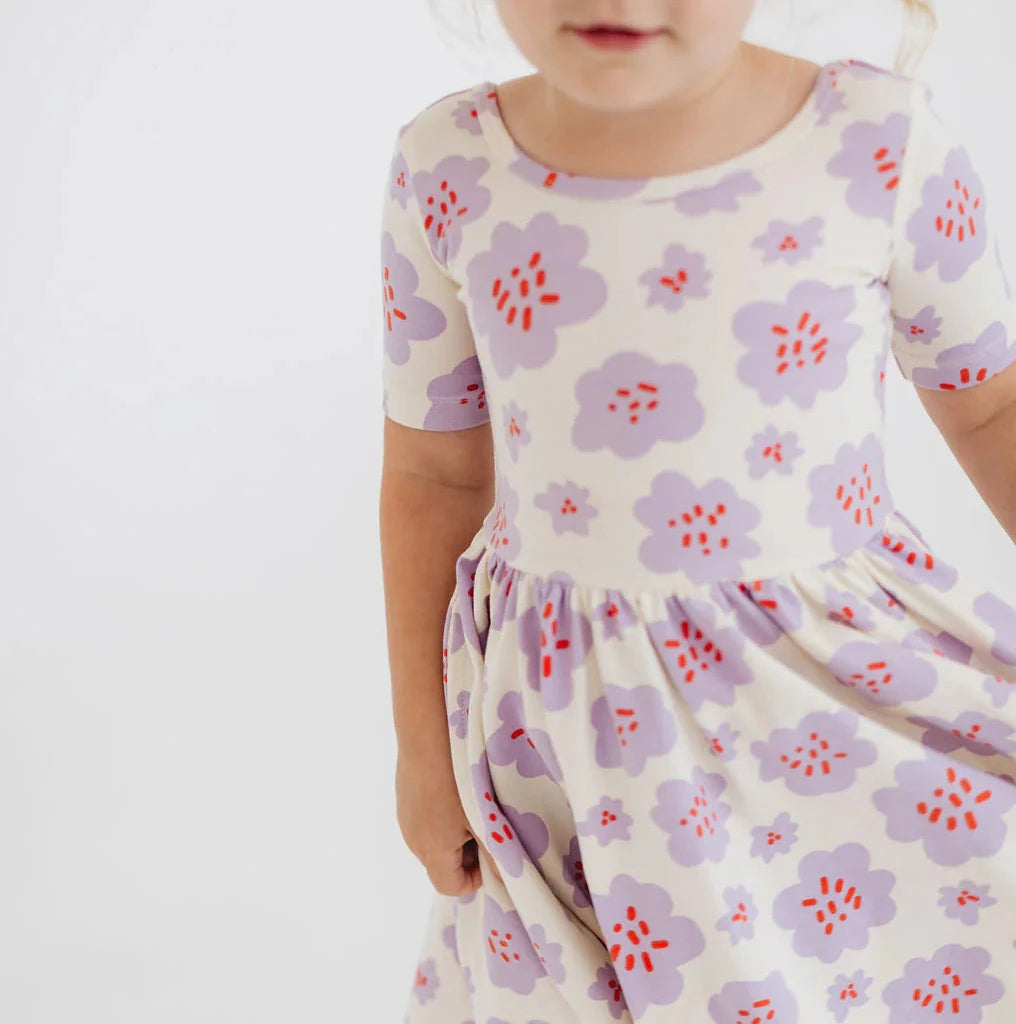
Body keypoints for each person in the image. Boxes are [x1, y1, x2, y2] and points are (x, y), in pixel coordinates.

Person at [379, 1, 1016, 1021]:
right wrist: (420, 750)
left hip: (829, 704)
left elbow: (990, 403)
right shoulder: (449, 165)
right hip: (565, 736)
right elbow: (433, 472)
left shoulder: (875, 145)